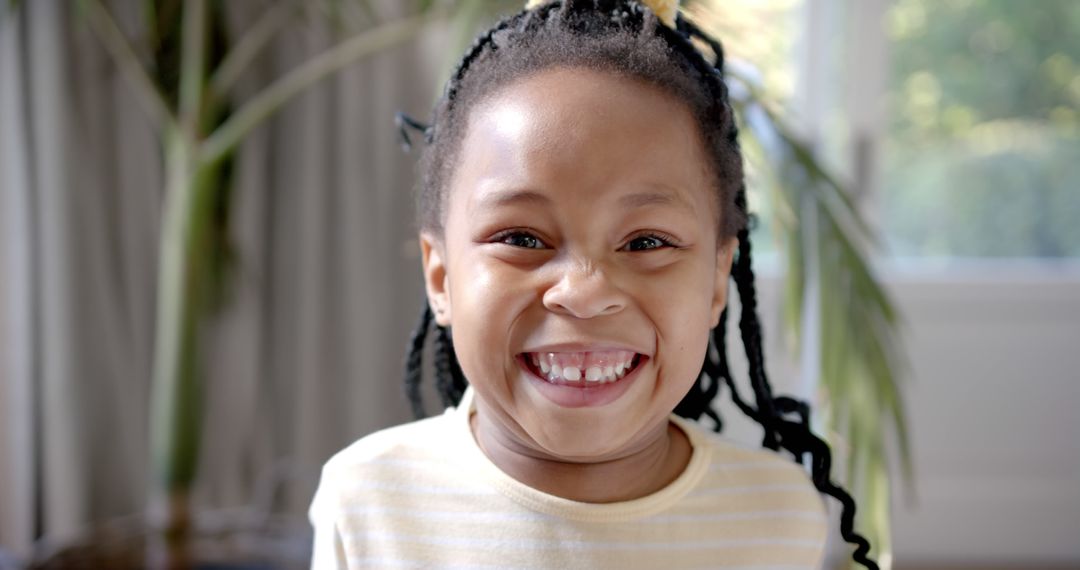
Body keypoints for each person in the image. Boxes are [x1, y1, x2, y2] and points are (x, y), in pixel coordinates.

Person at [309, 0, 879, 568]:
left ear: (715, 281)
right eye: (522, 238)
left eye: (647, 242)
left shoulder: (776, 516)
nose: (582, 293)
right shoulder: (368, 504)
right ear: (441, 277)